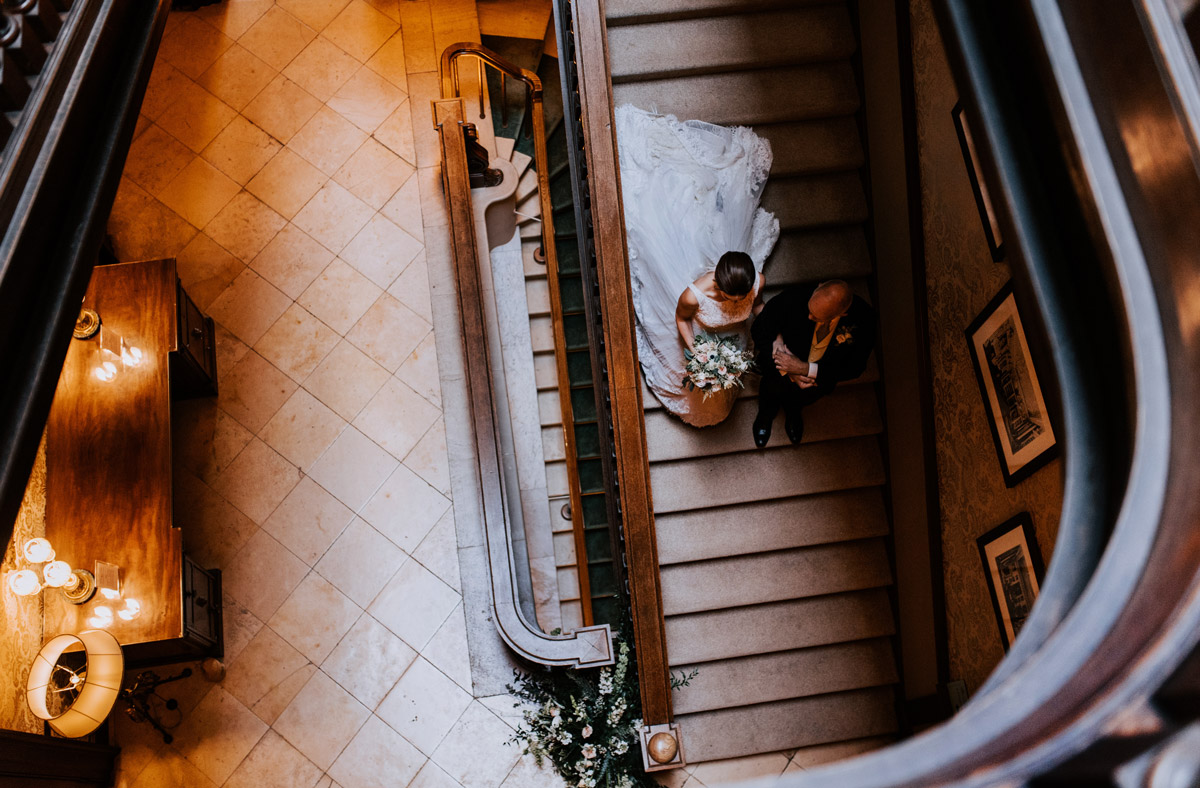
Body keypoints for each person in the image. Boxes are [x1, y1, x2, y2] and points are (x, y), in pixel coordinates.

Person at [615, 104, 779, 427]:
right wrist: (700, 355)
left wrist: (770, 329)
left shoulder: (756, 281)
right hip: (703, 340)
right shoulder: (694, 295)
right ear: (718, 286)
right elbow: (681, 319)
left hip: (725, 340)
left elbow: (758, 306)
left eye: (740, 297)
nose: (737, 304)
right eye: (731, 298)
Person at [749, 280, 876, 447]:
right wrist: (788, 366)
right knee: (770, 393)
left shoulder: (865, 321)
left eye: (816, 317)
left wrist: (805, 369)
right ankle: (765, 416)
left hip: (816, 383)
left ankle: (793, 414)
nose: (809, 317)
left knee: (800, 401)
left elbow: (855, 368)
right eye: (810, 310)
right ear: (819, 286)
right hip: (776, 371)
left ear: (842, 314)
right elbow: (759, 330)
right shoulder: (794, 297)